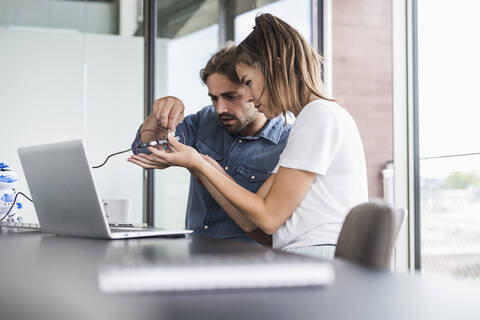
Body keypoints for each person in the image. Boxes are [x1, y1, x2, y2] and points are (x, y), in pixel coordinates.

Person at [140, 14, 368, 260]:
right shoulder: (310, 121)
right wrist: (205, 168)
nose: (248, 96)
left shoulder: (318, 116)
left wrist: (198, 163)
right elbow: (255, 224)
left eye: (248, 82)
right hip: (297, 257)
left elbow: (268, 218)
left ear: (276, 67)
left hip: (312, 259)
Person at [128, 43, 291, 245]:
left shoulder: (287, 144)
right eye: (214, 98)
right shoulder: (205, 120)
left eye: (231, 97)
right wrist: (159, 114)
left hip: (249, 261)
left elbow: (266, 226)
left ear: (253, 91)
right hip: (195, 251)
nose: (220, 108)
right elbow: (143, 151)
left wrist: (200, 166)